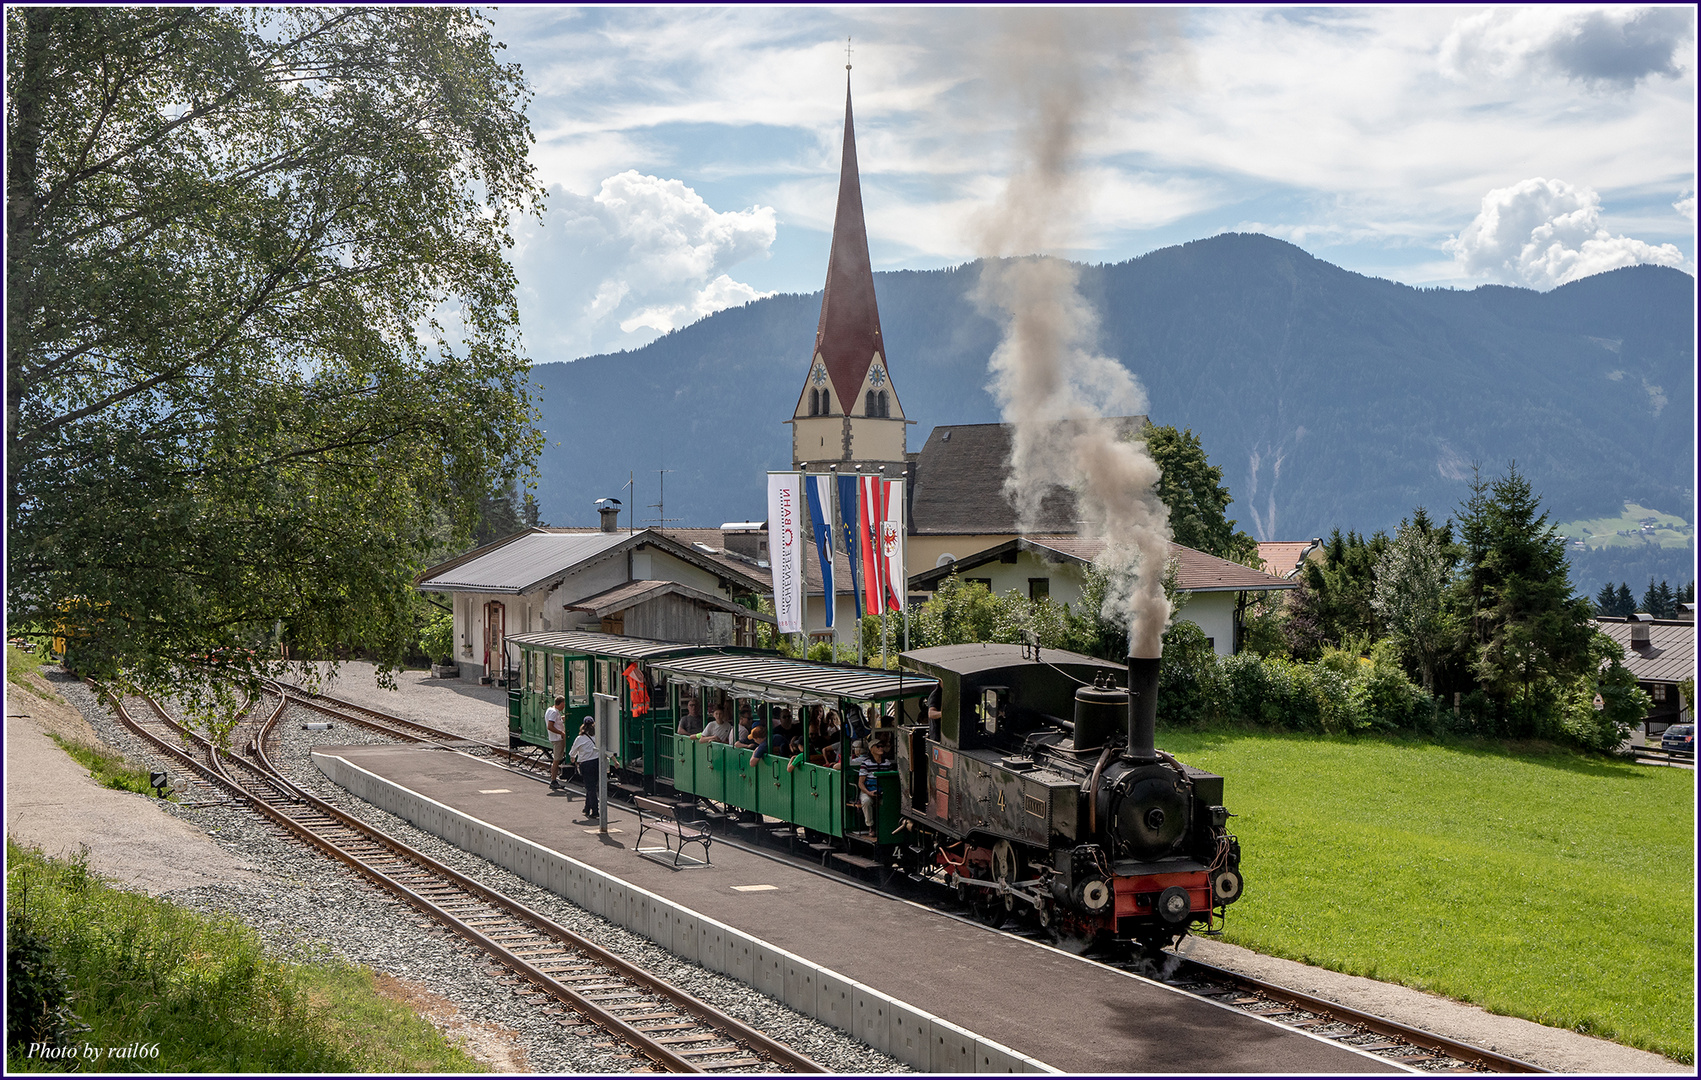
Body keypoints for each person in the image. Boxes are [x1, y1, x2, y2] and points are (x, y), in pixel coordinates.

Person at [570, 718, 601, 820]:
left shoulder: (580, 738)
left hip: (586, 764)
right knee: (591, 786)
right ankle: (587, 808)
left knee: (590, 788)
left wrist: (573, 759)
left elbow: (572, 753)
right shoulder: (598, 737)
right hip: (597, 763)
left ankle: (595, 811)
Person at [856, 739, 888, 837]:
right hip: (868, 791)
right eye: (878, 746)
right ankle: (871, 826)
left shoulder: (886, 763)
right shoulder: (866, 763)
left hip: (882, 791)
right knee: (866, 801)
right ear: (871, 749)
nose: (881, 748)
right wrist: (869, 793)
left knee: (886, 802)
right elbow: (860, 783)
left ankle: (884, 826)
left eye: (882, 746)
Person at [545, 696, 567, 791]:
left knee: (557, 759)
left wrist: (565, 718)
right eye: (564, 704)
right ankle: (553, 781)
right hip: (557, 739)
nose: (564, 706)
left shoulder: (551, 710)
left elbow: (557, 721)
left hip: (556, 738)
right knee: (556, 760)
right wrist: (561, 733)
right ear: (561, 703)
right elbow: (550, 726)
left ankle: (554, 780)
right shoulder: (554, 712)